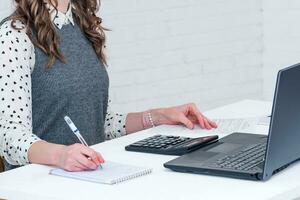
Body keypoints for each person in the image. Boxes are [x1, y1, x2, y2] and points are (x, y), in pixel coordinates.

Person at [0, 0, 217, 172]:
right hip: (37, 184)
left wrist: (158, 116)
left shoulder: (84, 26)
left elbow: (104, 123)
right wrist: (61, 155)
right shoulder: (14, 35)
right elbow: (9, 136)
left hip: (90, 177)